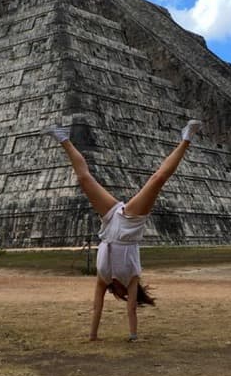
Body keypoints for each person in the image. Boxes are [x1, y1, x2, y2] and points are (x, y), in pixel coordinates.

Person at [43, 118, 203, 342]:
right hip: (130, 224)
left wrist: (92, 336)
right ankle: (186, 138)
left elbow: (96, 307)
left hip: (109, 223)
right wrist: (133, 335)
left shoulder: (103, 278)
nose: (118, 294)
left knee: (84, 178)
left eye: (117, 294)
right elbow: (132, 310)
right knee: (157, 179)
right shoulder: (132, 279)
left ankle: (63, 138)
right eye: (122, 295)